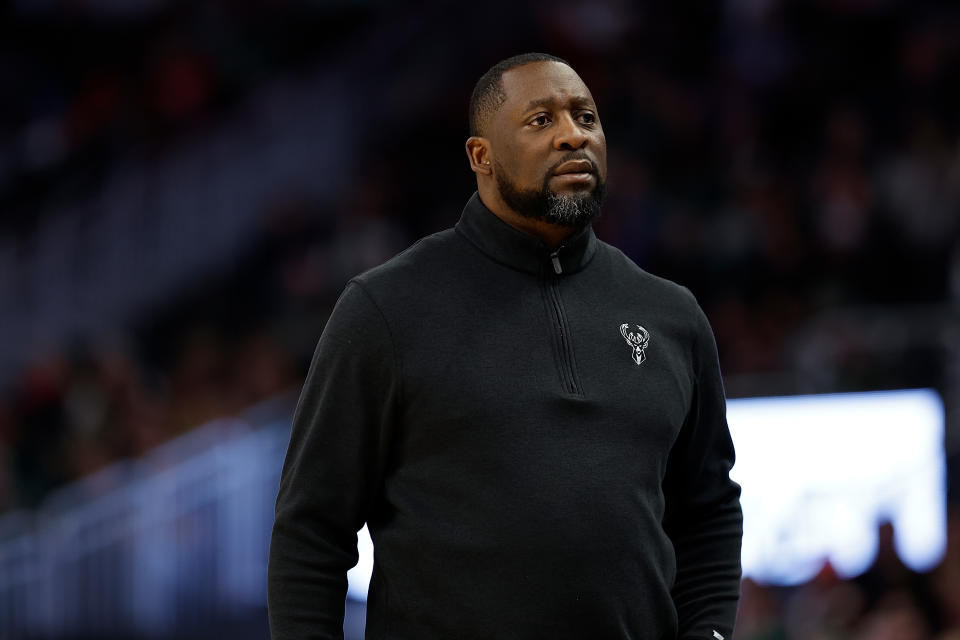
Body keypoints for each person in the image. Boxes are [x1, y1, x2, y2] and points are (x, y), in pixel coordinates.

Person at [268, 52, 742, 640]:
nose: (573, 136)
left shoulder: (670, 315)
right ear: (481, 157)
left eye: (586, 117)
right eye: (541, 121)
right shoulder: (386, 309)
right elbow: (311, 530)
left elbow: (708, 510)